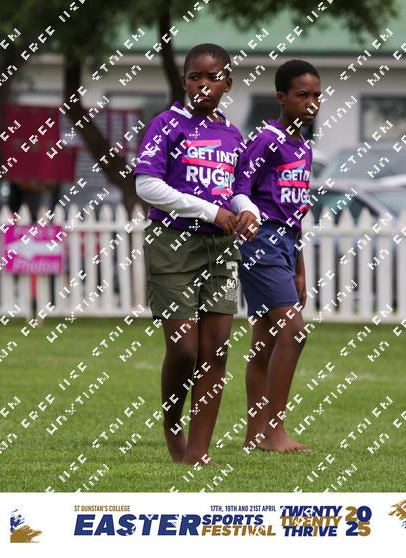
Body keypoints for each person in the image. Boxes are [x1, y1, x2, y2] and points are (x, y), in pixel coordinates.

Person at [133, 43, 260, 465]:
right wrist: (211, 212)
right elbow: (147, 186)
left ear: (228, 83)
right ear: (184, 81)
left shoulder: (232, 135)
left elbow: (238, 189)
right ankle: (173, 426)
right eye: (194, 77)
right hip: (173, 245)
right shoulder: (167, 124)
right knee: (185, 350)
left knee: (217, 348)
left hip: (220, 248)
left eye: (213, 77)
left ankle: (198, 453)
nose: (203, 84)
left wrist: (247, 211)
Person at [236, 59, 321, 452]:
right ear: (281, 98)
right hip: (261, 242)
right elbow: (239, 188)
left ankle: (256, 434)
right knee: (294, 332)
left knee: (266, 342)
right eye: (302, 95)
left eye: (317, 95)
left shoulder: (303, 146)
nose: (311, 103)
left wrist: (300, 268)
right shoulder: (266, 140)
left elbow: (296, 213)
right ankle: (274, 430)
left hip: (286, 245)